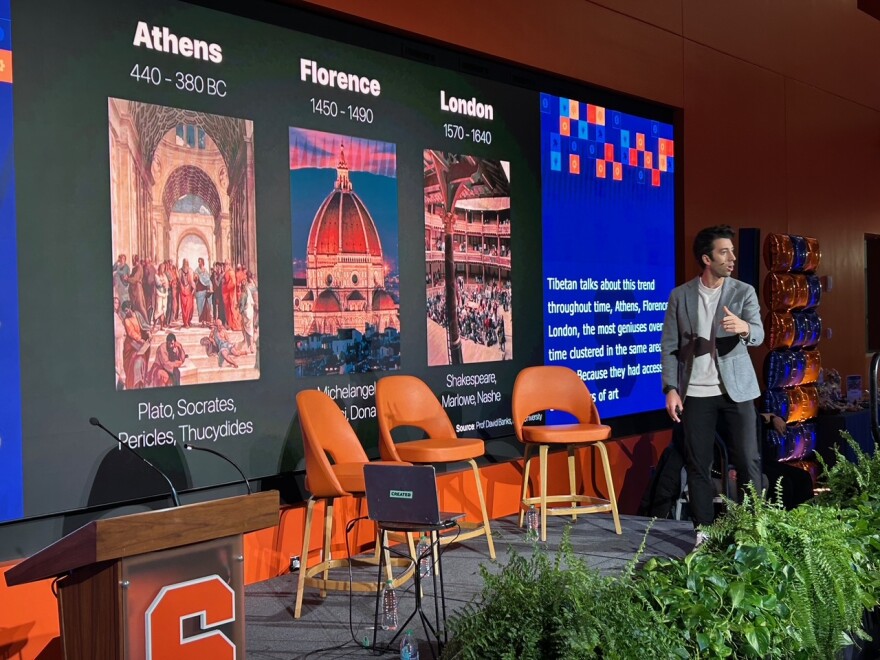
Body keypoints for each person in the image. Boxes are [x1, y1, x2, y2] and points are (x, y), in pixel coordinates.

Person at [660, 224, 764, 538]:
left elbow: (758, 334)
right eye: (724, 252)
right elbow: (669, 346)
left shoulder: (743, 291)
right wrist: (670, 388)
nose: (732, 258)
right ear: (707, 259)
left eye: (732, 251)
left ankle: (751, 531)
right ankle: (704, 534)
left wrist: (745, 328)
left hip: (737, 391)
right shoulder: (680, 295)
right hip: (695, 393)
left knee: (748, 461)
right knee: (698, 466)